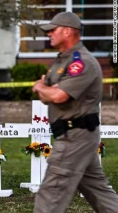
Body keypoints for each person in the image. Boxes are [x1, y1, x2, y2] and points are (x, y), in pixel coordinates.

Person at [32, 12, 118, 213]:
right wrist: (46, 91)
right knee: (100, 194)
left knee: (50, 195)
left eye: (53, 30)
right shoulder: (64, 60)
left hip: (75, 137)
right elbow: (48, 96)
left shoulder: (81, 62)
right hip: (77, 135)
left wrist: (39, 87)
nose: (49, 34)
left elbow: (59, 96)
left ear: (68, 31)